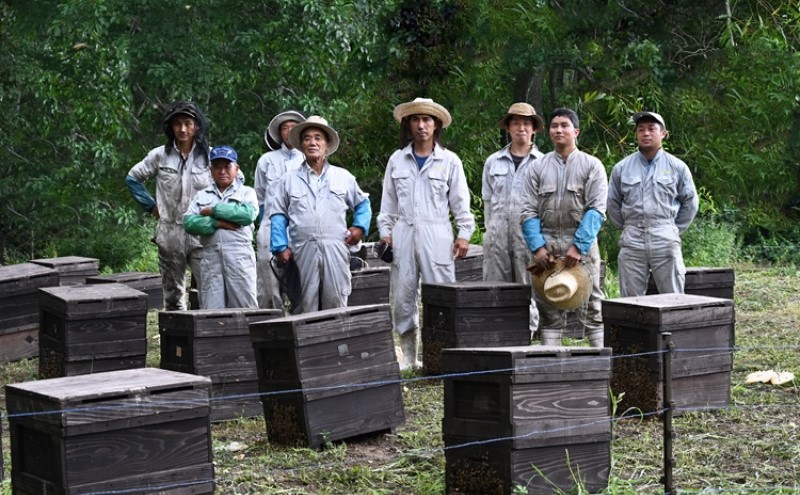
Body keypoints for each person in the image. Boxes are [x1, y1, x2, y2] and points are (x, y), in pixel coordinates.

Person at [377, 97, 476, 370]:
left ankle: (441, 356)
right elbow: (388, 204)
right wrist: (386, 233)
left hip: (438, 233)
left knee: (441, 295)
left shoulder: (449, 161)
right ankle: (409, 359)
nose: (422, 125)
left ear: (436, 125)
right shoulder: (397, 160)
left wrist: (464, 234)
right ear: (408, 124)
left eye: (427, 120)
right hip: (404, 233)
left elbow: (460, 203)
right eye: (416, 120)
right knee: (403, 297)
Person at [520, 107, 608, 347]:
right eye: (554, 126)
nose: (558, 130)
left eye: (564, 125)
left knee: (592, 304)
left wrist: (578, 246)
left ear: (576, 131)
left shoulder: (592, 166)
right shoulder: (536, 167)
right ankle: (552, 366)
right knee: (548, 305)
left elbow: (597, 210)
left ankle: (600, 365)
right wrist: (537, 248)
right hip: (546, 244)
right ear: (548, 132)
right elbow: (527, 210)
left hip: (582, 245)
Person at [269, 116, 371, 313]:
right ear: (301, 144)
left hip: (336, 248)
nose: (312, 142)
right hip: (301, 250)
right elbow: (278, 214)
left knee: (336, 303)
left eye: (318, 138)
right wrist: (280, 246)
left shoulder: (343, 177)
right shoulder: (288, 180)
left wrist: (359, 227)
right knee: (304, 305)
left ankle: (337, 344)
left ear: (327, 144)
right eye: (307, 138)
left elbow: (363, 203)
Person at [126, 101, 211, 311]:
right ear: (171, 127)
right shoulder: (159, 155)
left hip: (202, 232)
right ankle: (177, 339)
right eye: (178, 124)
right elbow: (133, 178)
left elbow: (234, 181)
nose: (183, 129)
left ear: (197, 126)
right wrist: (152, 207)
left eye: (188, 123)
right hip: (170, 231)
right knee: (173, 295)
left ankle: (207, 336)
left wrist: (217, 215)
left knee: (209, 288)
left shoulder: (210, 156)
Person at [607, 111, 699, 297]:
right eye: (641, 129)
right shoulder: (622, 168)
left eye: (651, 129)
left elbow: (690, 202)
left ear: (663, 133)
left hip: (664, 238)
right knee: (630, 302)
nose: (646, 133)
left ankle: (672, 328)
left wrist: (671, 229)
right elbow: (612, 203)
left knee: (673, 298)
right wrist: (627, 226)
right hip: (632, 240)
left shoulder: (677, 167)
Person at [482, 102, 545, 338]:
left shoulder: (543, 162)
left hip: (528, 238)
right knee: (495, 287)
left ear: (534, 129)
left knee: (527, 287)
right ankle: (497, 336)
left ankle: (526, 337)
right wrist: (490, 233)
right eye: (516, 123)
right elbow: (488, 201)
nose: (521, 128)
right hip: (497, 236)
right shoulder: (493, 162)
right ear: (508, 127)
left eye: (526, 123)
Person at [183, 146, 259, 309]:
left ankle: (245, 336)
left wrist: (214, 210)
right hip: (210, 256)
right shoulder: (202, 195)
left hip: (239, 255)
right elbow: (189, 223)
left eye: (227, 166)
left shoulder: (247, 193)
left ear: (236, 169)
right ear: (211, 170)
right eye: (217, 167)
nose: (222, 171)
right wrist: (216, 223)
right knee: (212, 310)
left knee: (245, 307)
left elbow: (246, 215)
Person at [254, 110, 306, 311]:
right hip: (269, 225)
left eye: (294, 127)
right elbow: (260, 196)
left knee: (300, 279)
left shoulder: (306, 158)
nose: (289, 131)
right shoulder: (266, 160)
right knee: (269, 282)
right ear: (279, 133)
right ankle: (272, 323)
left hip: (300, 225)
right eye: (285, 128)